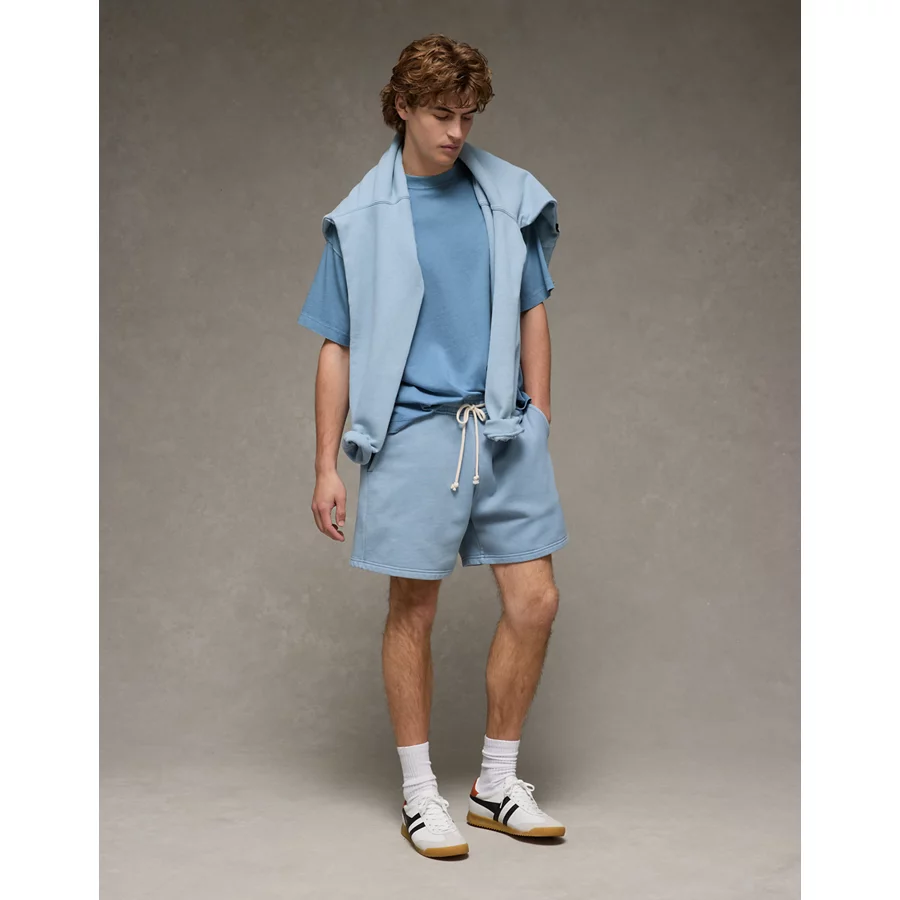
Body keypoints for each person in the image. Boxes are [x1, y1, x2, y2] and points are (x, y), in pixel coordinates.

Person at [298, 33, 568, 859]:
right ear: (403, 107)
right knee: (412, 610)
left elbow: (531, 309)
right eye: (442, 114)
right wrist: (325, 465)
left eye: (468, 115)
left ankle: (495, 784)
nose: (457, 132)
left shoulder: (504, 197)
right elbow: (336, 345)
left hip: (504, 428)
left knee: (535, 601)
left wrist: (540, 416)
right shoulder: (361, 220)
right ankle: (421, 796)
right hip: (413, 431)